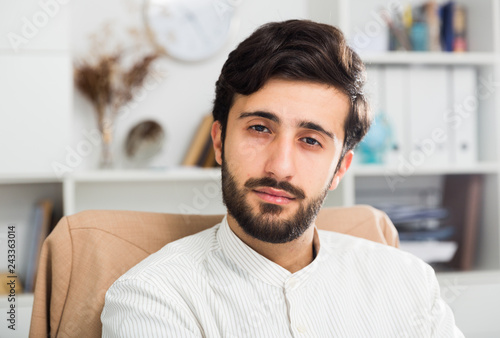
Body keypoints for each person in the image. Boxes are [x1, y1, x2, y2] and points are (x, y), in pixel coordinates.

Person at [101, 19, 463, 337]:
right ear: (219, 142)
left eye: (310, 140)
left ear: (340, 168)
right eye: (260, 128)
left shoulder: (408, 281)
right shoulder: (152, 297)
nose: (280, 167)